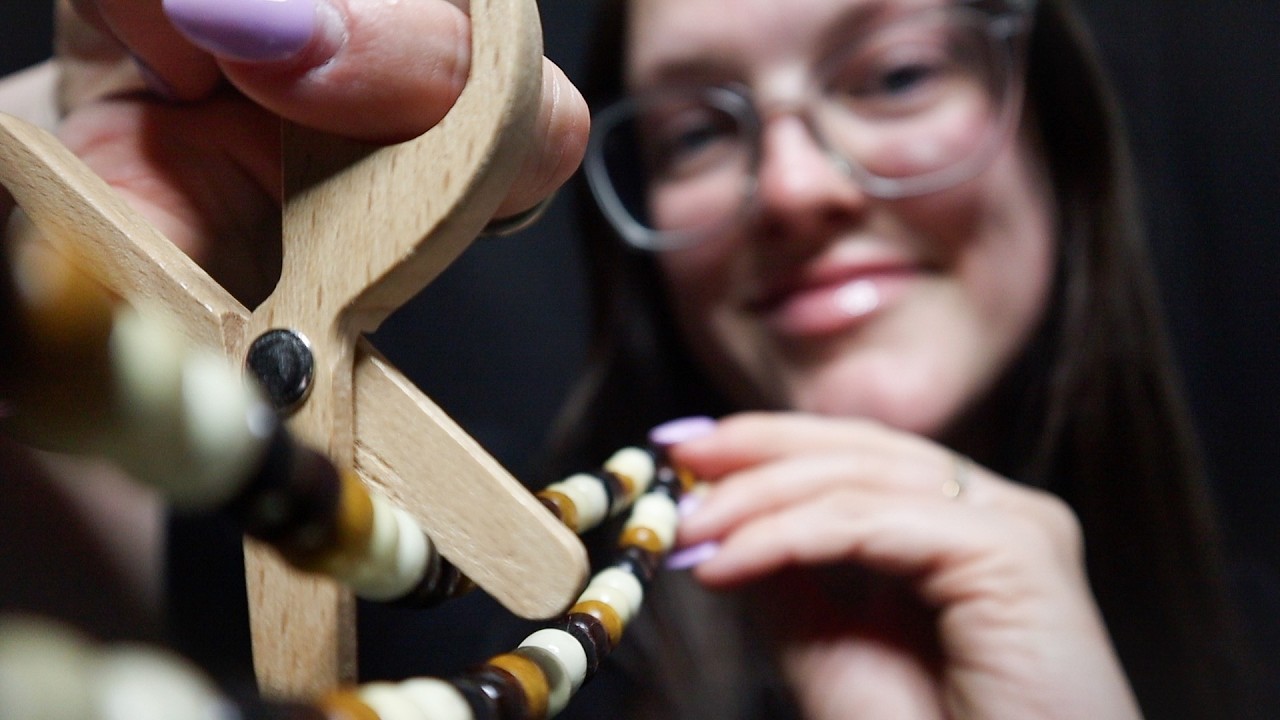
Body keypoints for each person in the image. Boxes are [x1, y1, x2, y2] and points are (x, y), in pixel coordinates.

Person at [541, 0, 1274, 718]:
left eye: (898, 76)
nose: (792, 190)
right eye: (696, 133)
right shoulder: (543, 659)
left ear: (1053, 118)